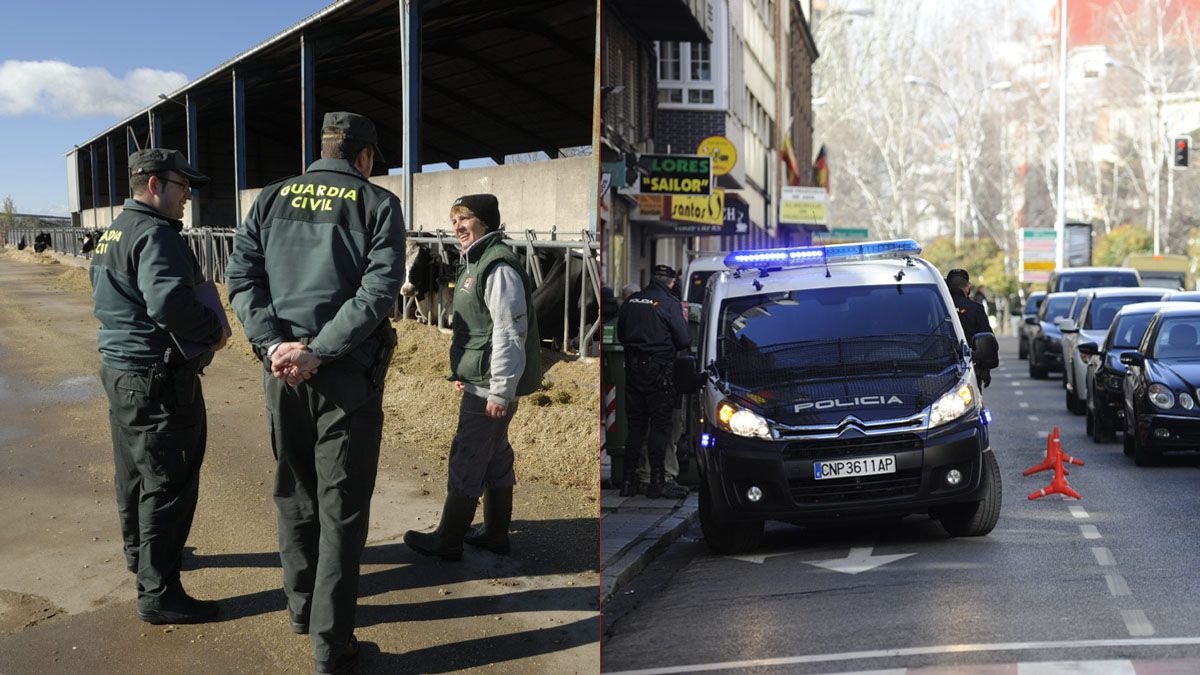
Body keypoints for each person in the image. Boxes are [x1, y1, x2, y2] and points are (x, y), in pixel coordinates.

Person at [225, 112, 405, 675]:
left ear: (322, 148)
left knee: (295, 491)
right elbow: (378, 291)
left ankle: (301, 609)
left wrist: (275, 345)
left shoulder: (272, 199)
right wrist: (319, 351)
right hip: (344, 377)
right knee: (342, 508)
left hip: (280, 374)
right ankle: (332, 646)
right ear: (367, 156)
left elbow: (240, 279)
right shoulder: (376, 205)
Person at [89, 148, 228, 625]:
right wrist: (215, 330)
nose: (188, 194)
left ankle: (139, 554)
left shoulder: (115, 230)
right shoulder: (155, 234)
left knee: (133, 470)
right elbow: (168, 303)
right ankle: (160, 593)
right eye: (181, 185)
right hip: (156, 374)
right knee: (169, 480)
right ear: (153, 185)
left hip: (120, 368)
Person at [404, 193, 541, 561]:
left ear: (486, 222)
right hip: (482, 381)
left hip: (489, 390)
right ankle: (496, 533)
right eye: (454, 220)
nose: (458, 227)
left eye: (465, 219)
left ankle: (449, 539)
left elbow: (510, 332)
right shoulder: (476, 261)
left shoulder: (497, 267)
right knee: (495, 456)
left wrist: (499, 390)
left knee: (467, 457)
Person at [617, 264, 690, 498]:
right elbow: (684, 340)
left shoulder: (632, 301)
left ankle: (628, 482)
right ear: (670, 282)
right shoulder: (668, 303)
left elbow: (621, 334)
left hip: (633, 371)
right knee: (660, 427)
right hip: (660, 372)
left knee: (635, 427)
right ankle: (657, 482)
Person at [945, 268, 995, 388]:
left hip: (936, 367)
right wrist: (985, 370)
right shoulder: (975, 309)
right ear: (967, 287)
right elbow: (986, 341)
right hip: (969, 369)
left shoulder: (934, 307)